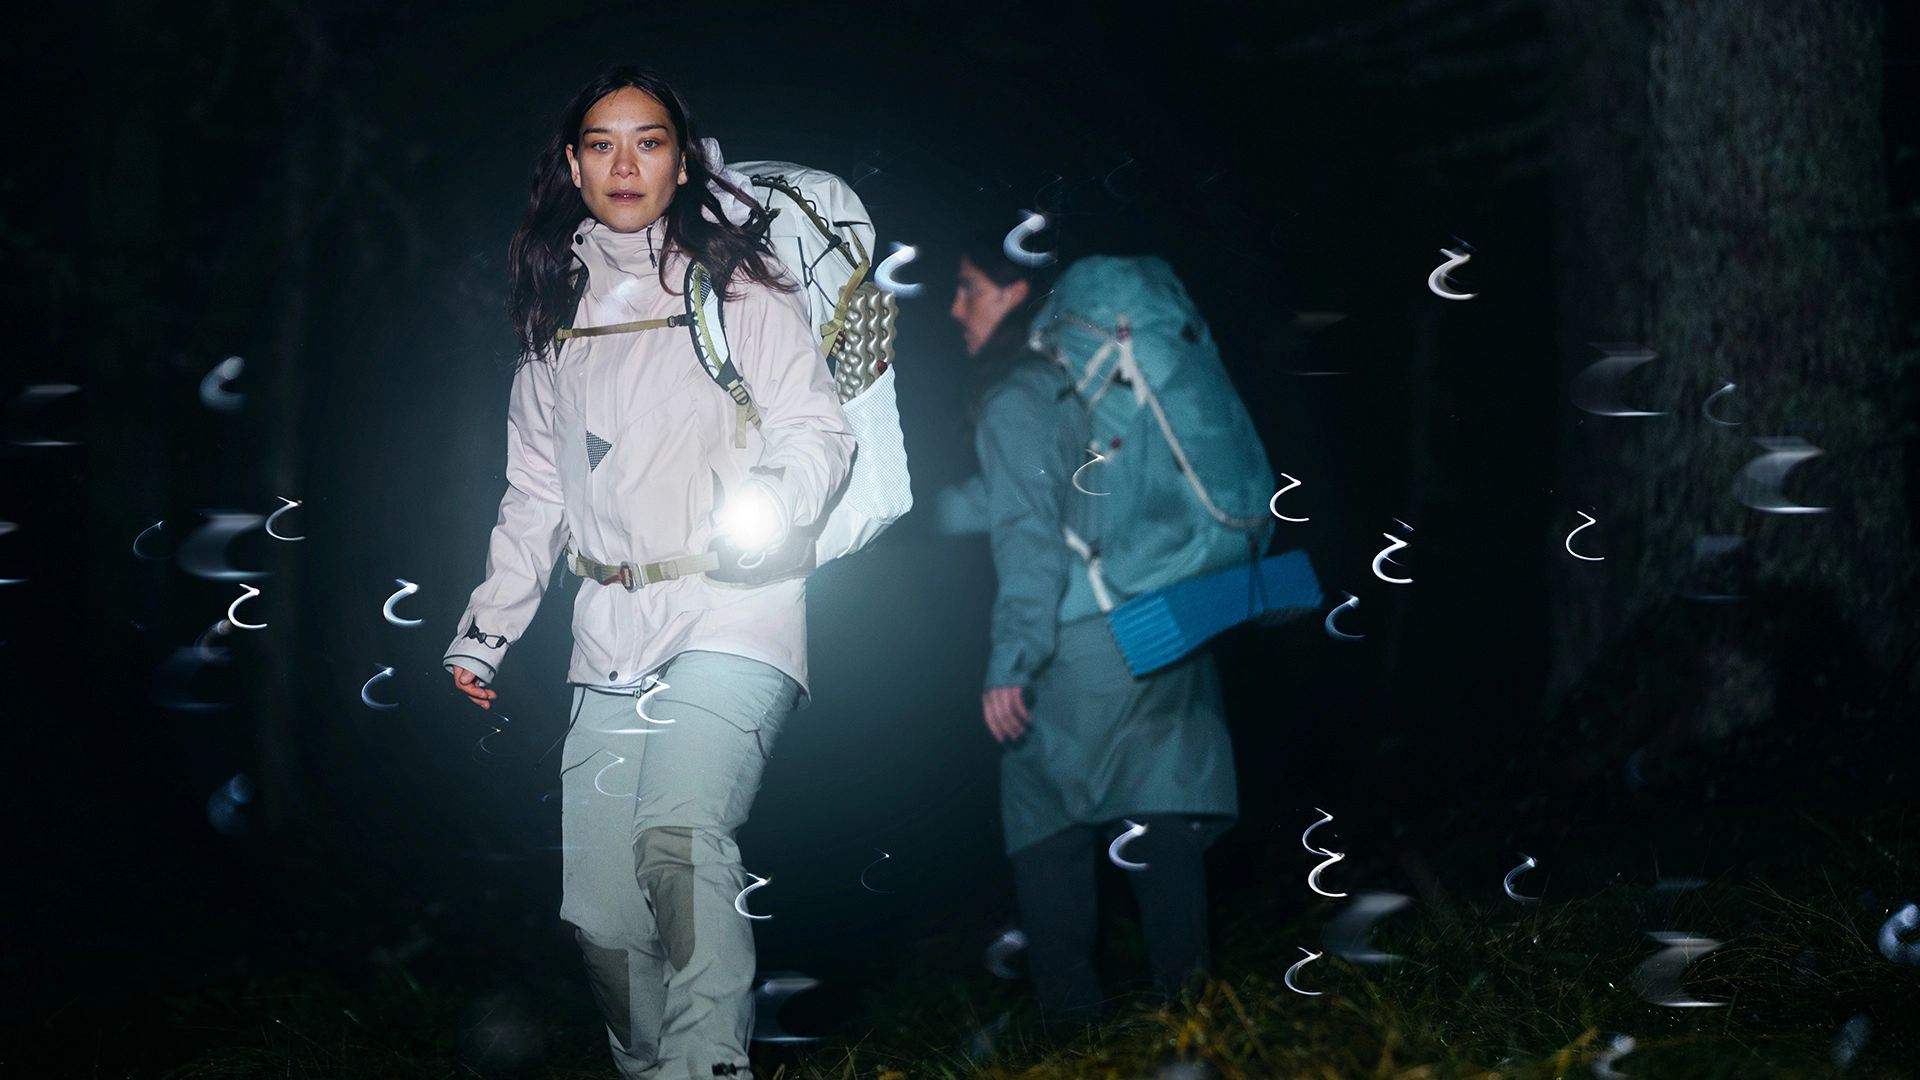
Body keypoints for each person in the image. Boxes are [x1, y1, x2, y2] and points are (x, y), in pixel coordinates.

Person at [443, 67, 853, 1079]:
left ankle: (709, 1065)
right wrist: (488, 627)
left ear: (681, 161)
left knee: (679, 835)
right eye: (602, 143)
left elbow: (816, 428)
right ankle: (649, 1065)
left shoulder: (739, 283)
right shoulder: (553, 316)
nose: (625, 164)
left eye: (650, 141)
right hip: (608, 633)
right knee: (602, 918)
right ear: (572, 164)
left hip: (733, 611)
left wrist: (777, 503)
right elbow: (534, 492)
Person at [950, 234, 1238, 1021]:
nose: (954, 309)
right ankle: (1197, 1024)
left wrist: (1012, 661)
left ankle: (1075, 1037)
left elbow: (1030, 536)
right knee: (1162, 819)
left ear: (1014, 294)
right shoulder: (1090, 383)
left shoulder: (1016, 394)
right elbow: (1061, 498)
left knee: (1044, 828)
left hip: (1081, 646)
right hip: (1163, 620)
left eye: (968, 288)